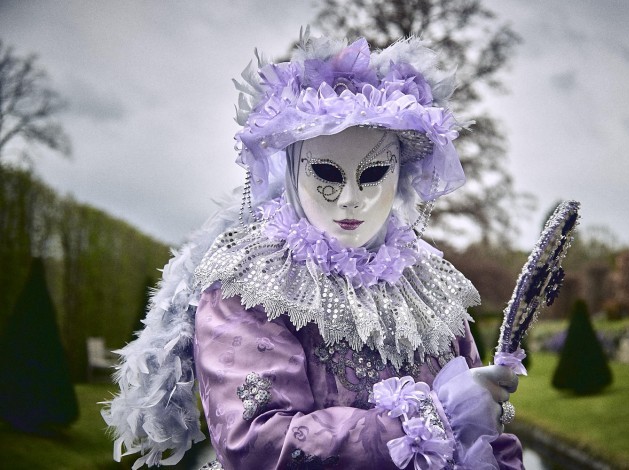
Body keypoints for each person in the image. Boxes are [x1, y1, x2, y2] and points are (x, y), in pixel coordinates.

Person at [103, 33, 524, 470]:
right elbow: (259, 442)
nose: (350, 199)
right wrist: (432, 419)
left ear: (401, 175)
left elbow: (492, 440)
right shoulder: (251, 285)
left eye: (374, 173)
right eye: (327, 171)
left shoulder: (429, 288)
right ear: (290, 169)